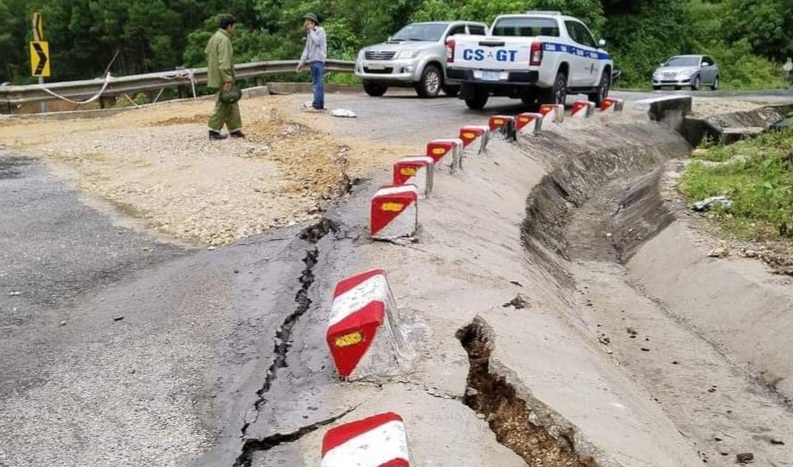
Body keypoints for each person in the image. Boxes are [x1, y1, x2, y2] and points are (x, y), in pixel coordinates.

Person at [205, 14, 244, 140]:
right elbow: (224, 61)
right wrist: (227, 78)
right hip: (222, 77)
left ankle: (235, 129)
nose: (234, 29)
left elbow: (207, 54)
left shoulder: (214, 38)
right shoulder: (224, 40)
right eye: (233, 27)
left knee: (231, 101)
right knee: (222, 103)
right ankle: (213, 130)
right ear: (229, 26)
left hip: (216, 75)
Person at [296, 13, 327, 112]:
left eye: (308, 22)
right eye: (305, 23)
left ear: (313, 23)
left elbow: (318, 41)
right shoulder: (309, 34)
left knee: (317, 84)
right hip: (312, 60)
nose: (306, 24)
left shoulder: (320, 31)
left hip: (319, 60)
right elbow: (306, 49)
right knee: (317, 83)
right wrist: (301, 63)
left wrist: (311, 31)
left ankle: (317, 105)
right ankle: (319, 105)